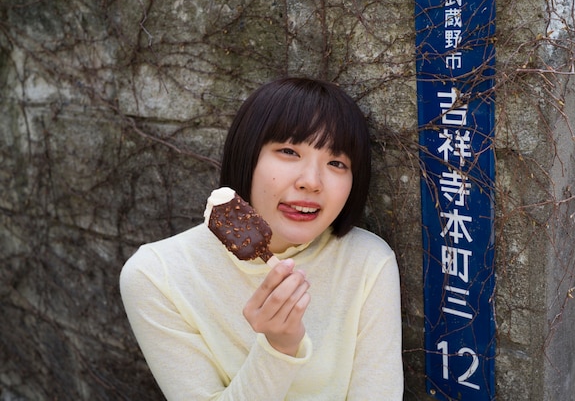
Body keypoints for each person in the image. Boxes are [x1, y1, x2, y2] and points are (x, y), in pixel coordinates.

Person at [119, 77, 404, 400]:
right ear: (247, 155)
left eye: (336, 163)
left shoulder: (368, 261)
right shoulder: (157, 275)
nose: (311, 182)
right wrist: (278, 348)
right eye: (288, 151)